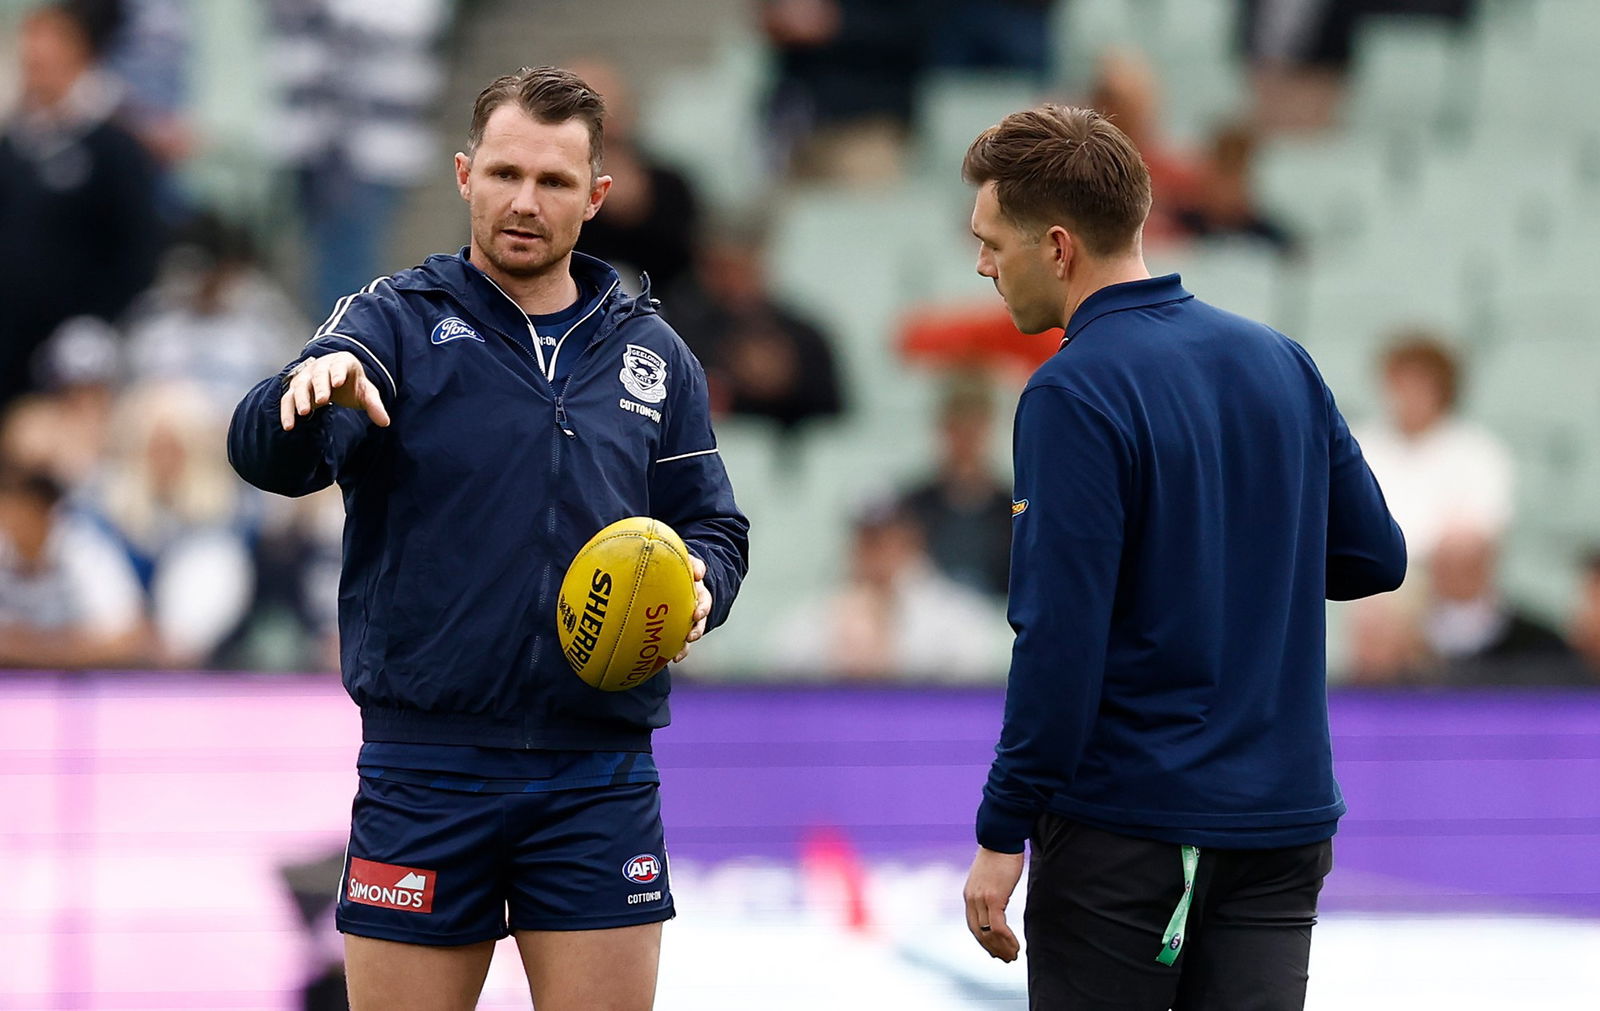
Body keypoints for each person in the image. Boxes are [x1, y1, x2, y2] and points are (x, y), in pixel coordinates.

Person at [227, 67, 749, 1010]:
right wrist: (299, 399)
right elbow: (270, 454)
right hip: (425, 771)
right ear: (465, 175)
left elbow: (712, 524)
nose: (524, 201)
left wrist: (703, 581)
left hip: (599, 774)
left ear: (595, 199)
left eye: (553, 182)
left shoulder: (653, 352)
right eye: (505, 173)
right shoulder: (389, 323)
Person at [955, 106, 1405, 1009]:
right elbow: (1374, 556)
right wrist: (1221, 548)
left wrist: (1002, 830)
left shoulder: (1071, 391)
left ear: (1056, 245)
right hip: (1282, 826)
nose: (981, 266)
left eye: (990, 242)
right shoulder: (1282, 360)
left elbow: (1058, 638)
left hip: (1136, 833)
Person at [895, 375, 1011, 600]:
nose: (966, 441)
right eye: (958, 429)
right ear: (943, 431)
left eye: (974, 429)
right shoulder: (910, 508)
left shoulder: (1016, 510)